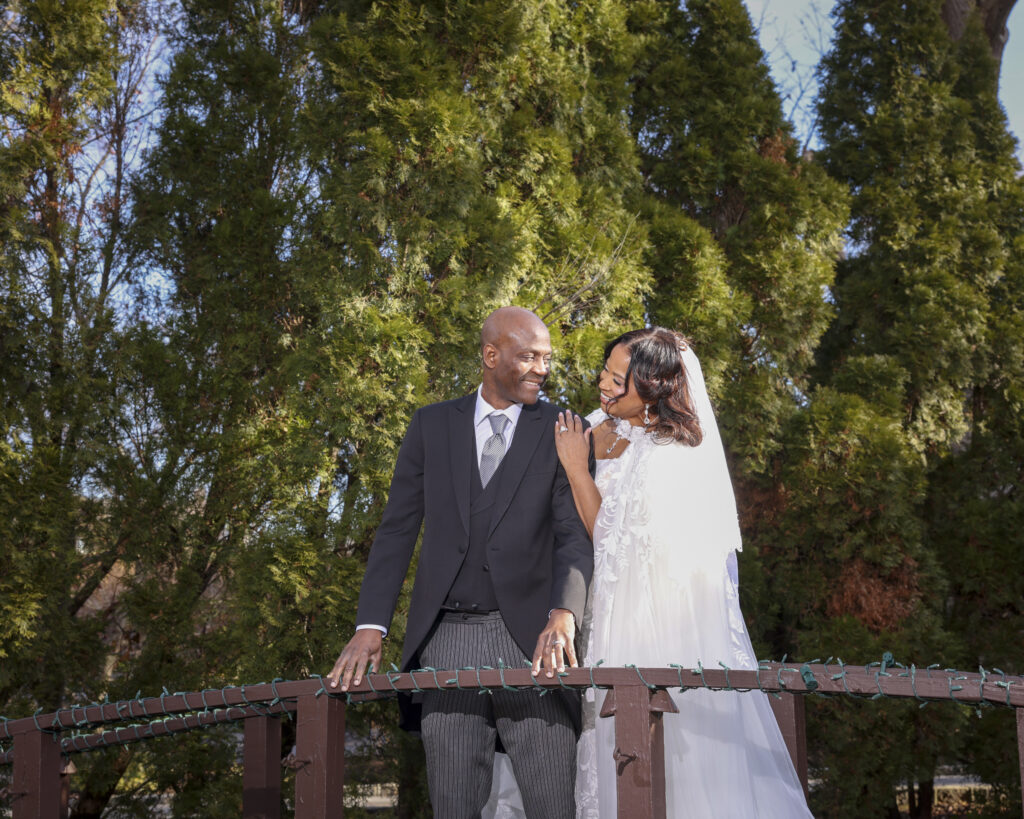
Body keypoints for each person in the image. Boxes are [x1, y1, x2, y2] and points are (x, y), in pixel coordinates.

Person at [489, 326, 812, 817]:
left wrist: (578, 470)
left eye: (619, 380)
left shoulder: (670, 457)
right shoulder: (615, 426)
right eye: (605, 372)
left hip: (648, 629)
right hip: (606, 615)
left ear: (654, 389)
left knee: (658, 757)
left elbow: (615, 544)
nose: (604, 386)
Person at [327, 306, 594, 819]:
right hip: (446, 640)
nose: (543, 368)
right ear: (491, 355)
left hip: (533, 643)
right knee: (452, 806)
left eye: (547, 358)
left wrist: (565, 613)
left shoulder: (563, 428)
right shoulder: (430, 425)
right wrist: (370, 625)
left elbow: (573, 534)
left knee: (554, 803)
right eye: (529, 356)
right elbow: (397, 530)